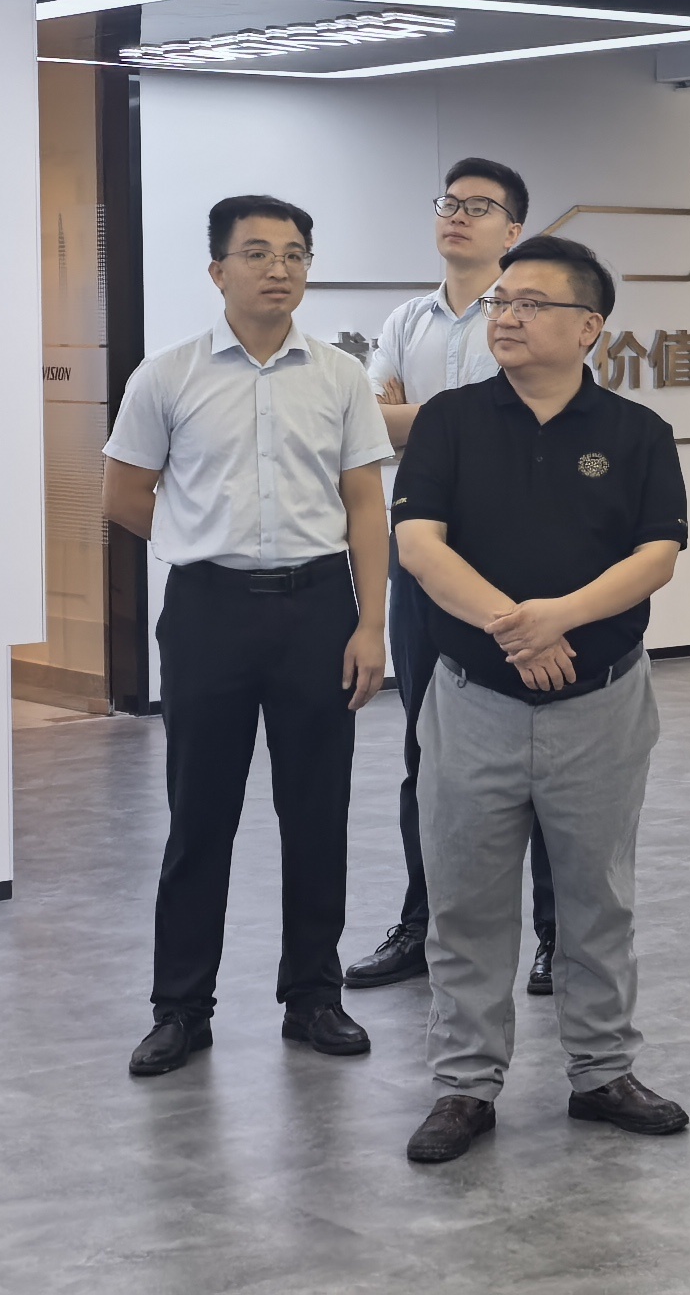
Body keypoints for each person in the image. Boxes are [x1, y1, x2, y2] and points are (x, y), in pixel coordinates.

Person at [392, 234, 690, 1163]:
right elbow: (419, 545)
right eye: (501, 302)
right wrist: (514, 629)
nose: (507, 317)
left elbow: (657, 556)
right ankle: (464, 1085)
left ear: (589, 326)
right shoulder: (449, 421)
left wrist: (559, 616)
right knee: (466, 899)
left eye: (531, 303)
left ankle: (602, 1072)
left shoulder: (637, 432)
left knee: (599, 899)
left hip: (601, 702)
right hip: (471, 697)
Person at [103, 194, 393, 1079]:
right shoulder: (168, 375)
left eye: (296, 254)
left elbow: (365, 504)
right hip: (209, 613)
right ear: (217, 270)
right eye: (259, 253)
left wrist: (371, 623)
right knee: (201, 817)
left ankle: (313, 996)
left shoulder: (340, 377)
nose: (280, 269)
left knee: (317, 812)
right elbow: (124, 495)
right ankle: (181, 1010)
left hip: (318, 610)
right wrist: (202, 541)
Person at [348, 159, 561, 998]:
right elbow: (368, 424)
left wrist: (423, 417)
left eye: (479, 206)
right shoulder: (408, 320)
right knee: (425, 751)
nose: (457, 216)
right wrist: (455, 414)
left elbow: (528, 420)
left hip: (521, 562)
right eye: (449, 202)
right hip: (424, 558)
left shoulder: (530, 314)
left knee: (544, 756)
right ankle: (421, 921)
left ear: (514, 229)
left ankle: (556, 936)